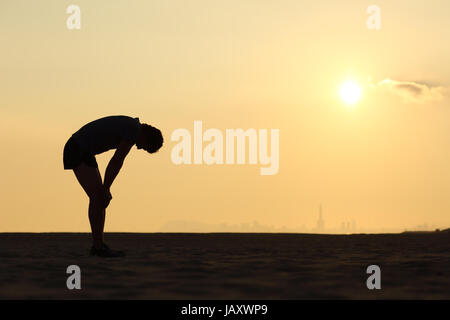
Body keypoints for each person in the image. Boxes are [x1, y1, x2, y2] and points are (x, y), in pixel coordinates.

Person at [63, 115, 163, 257]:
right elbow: (116, 162)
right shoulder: (133, 130)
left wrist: (105, 188)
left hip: (85, 152)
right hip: (76, 148)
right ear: (146, 136)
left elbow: (116, 163)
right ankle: (98, 247)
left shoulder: (132, 127)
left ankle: (99, 245)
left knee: (99, 198)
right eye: (145, 147)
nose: (140, 148)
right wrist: (106, 188)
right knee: (98, 197)